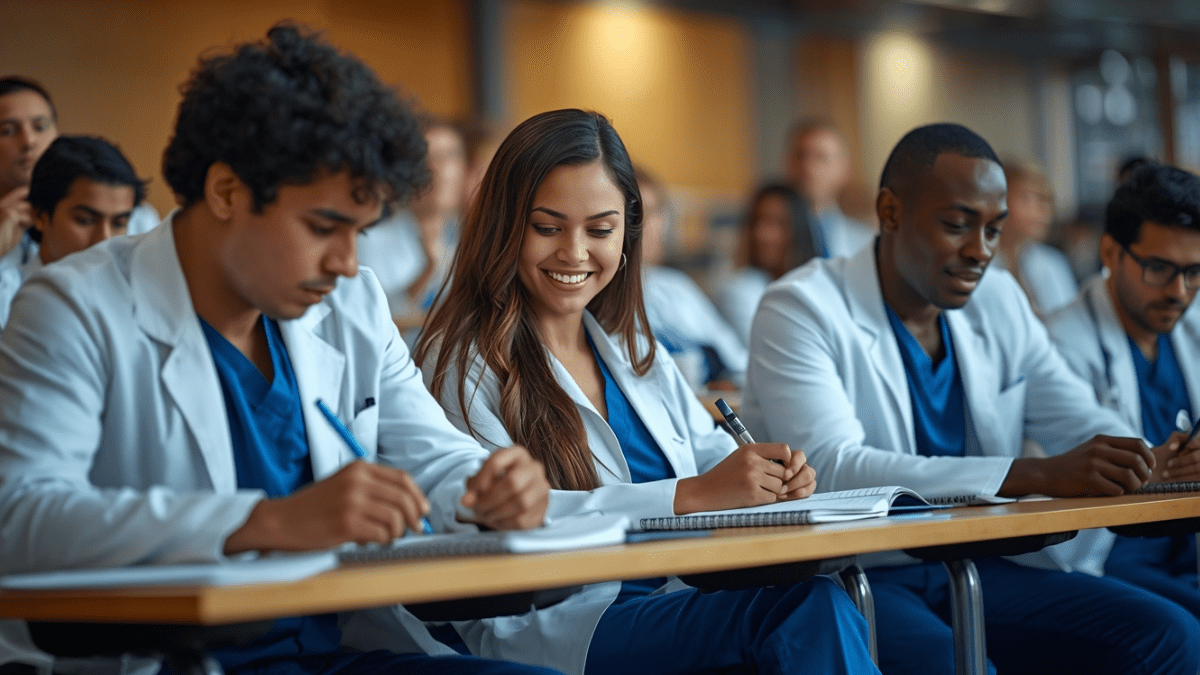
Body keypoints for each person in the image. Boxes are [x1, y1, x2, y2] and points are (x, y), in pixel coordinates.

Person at [0, 25, 557, 675]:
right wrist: (264, 521)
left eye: (360, 231)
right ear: (227, 191)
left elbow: (430, 457)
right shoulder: (73, 305)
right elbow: (21, 518)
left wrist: (487, 487)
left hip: (340, 650)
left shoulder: (352, 303)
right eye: (323, 227)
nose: (348, 262)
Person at [414, 108, 878, 675]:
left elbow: (712, 458)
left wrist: (772, 477)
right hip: (569, 625)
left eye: (600, 230)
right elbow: (503, 519)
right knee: (805, 612)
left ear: (627, 236)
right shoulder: (463, 363)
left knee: (821, 600)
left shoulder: (632, 350)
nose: (576, 252)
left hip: (680, 598)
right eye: (547, 227)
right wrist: (691, 496)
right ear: (504, 226)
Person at [742, 122, 1200, 675]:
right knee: (957, 665)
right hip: (857, 572)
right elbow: (834, 469)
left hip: (977, 562)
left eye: (993, 230)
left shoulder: (998, 299)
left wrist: (1146, 458)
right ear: (889, 212)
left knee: (1166, 635)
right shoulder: (801, 307)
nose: (980, 251)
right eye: (958, 226)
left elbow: (1076, 414)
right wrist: (1034, 475)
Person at [1046, 163, 1200, 618]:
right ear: (1110, 253)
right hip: (1107, 560)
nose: (1179, 291)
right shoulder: (1059, 345)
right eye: (1159, 268)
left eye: (1194, 272)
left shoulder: (1190, 328)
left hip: (1184, 555)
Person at [0, 134, 143, 328]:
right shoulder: (6, 296)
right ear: (40, 216)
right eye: (85, 220)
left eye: (118, 223)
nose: (104, 240)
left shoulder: (140, 299)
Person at [636, 165, 746, 389]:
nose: (649, 224)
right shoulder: (595, 300)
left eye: (655, 211)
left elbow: (738, 364)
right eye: (635, 211)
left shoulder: (676, 287)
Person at [357, 117, 466, 333]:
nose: (438, 170)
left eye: (449, 156)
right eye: (425, 158)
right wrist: (428, 271)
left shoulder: (473, 235)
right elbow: (370, 321)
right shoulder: (368, 240)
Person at [714, 183, 818, 343]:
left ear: (799, 229)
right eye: (756, 221)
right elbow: (772, 352)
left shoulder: (819, 287)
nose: (761, 234)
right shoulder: (739, 289)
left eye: (778, 223)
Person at [994, 157, 1077, 315]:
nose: (1041, 210)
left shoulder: (1054, 263)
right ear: (997, 201)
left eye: (1045, 200)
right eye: (1026, 198)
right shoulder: (976, 266)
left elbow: (1070, 324)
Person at [785, 118, 875, 258]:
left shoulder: (869, 244)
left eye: (821, 157)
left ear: (845, 169)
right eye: (801, 156)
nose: (808, 167)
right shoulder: (763, 239)